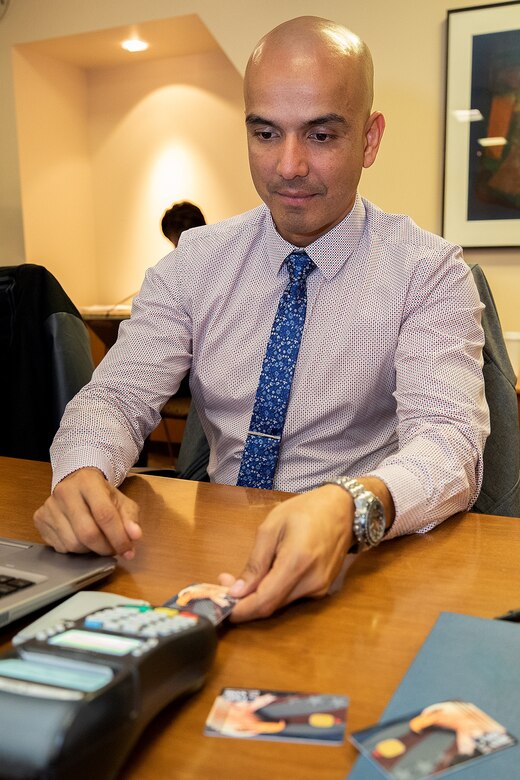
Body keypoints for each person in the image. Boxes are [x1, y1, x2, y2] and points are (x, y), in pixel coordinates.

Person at [33, 17, 489, 623]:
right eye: (266, 133)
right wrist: (82, 471)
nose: (289, 166)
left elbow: (450, 444)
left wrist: (350, 505)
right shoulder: (193, 263)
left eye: (322, 136)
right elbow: (115, 398)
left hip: (361, 573)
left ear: (370, 139)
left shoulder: (428, 270)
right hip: (210, 560)